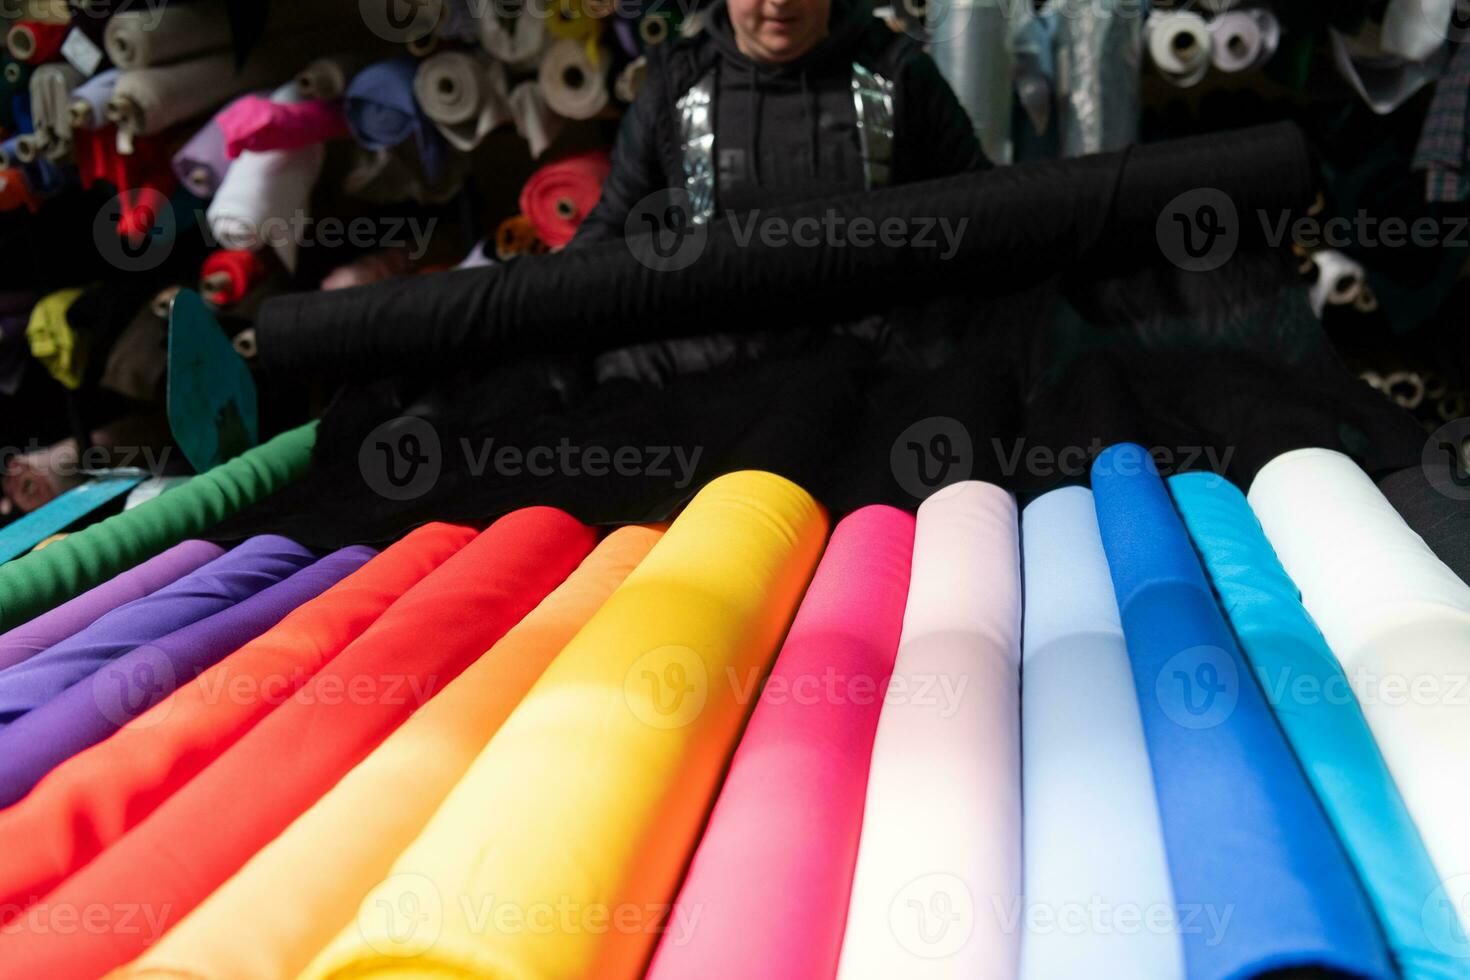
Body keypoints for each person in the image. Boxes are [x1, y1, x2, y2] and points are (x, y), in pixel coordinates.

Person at [572, 0, 988, 243]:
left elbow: (982, 211)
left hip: (876, 355)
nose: (780, 2)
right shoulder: (673, 91)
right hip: (717, 355)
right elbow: (614, 227)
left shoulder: (900, 76)